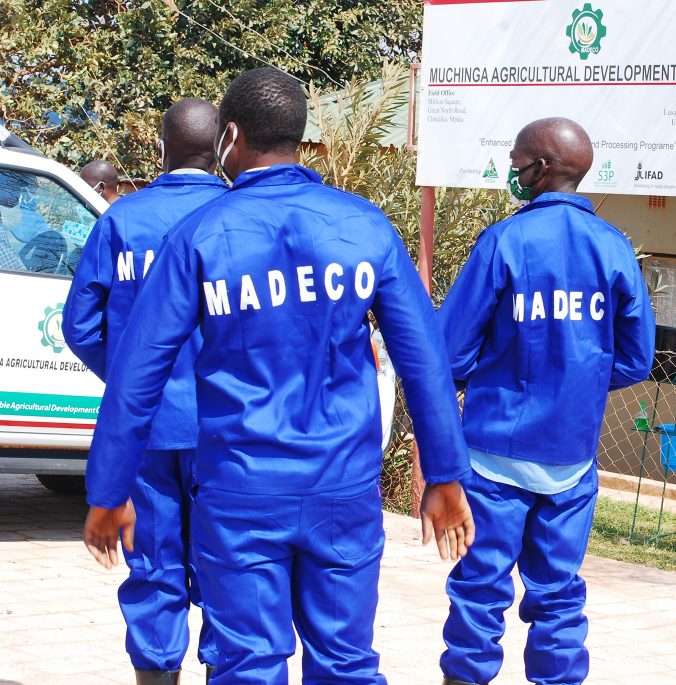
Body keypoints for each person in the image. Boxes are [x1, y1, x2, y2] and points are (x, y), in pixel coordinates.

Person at [80, 67, 475, 684]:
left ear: (230, 136)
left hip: (239, 490)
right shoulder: (364, 226)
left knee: (246, 662)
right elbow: (425, 361)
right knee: (345, 662)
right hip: (342, 487)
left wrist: (108, 490)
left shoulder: (199, 235)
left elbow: (137, 375)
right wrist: (445, 474)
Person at [437, 117, 655, 685]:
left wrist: (498, 379)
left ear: (541, 167)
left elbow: (449, 352)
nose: (511, 169)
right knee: (558, 593)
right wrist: (574, 385)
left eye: (516, 161)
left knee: (479, 588)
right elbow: (636, 358)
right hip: (571, 458)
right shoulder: (614, 248)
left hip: (493, 456)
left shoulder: (504, 241)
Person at [64, 98, 227, 685]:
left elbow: (81, 326)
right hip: (228, 429)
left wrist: (133, 381)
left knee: (154, 566)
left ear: (161, 149)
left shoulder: (122, 220)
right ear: (224, 148)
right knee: (230, 570)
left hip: (147, 427)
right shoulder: (239, 217)